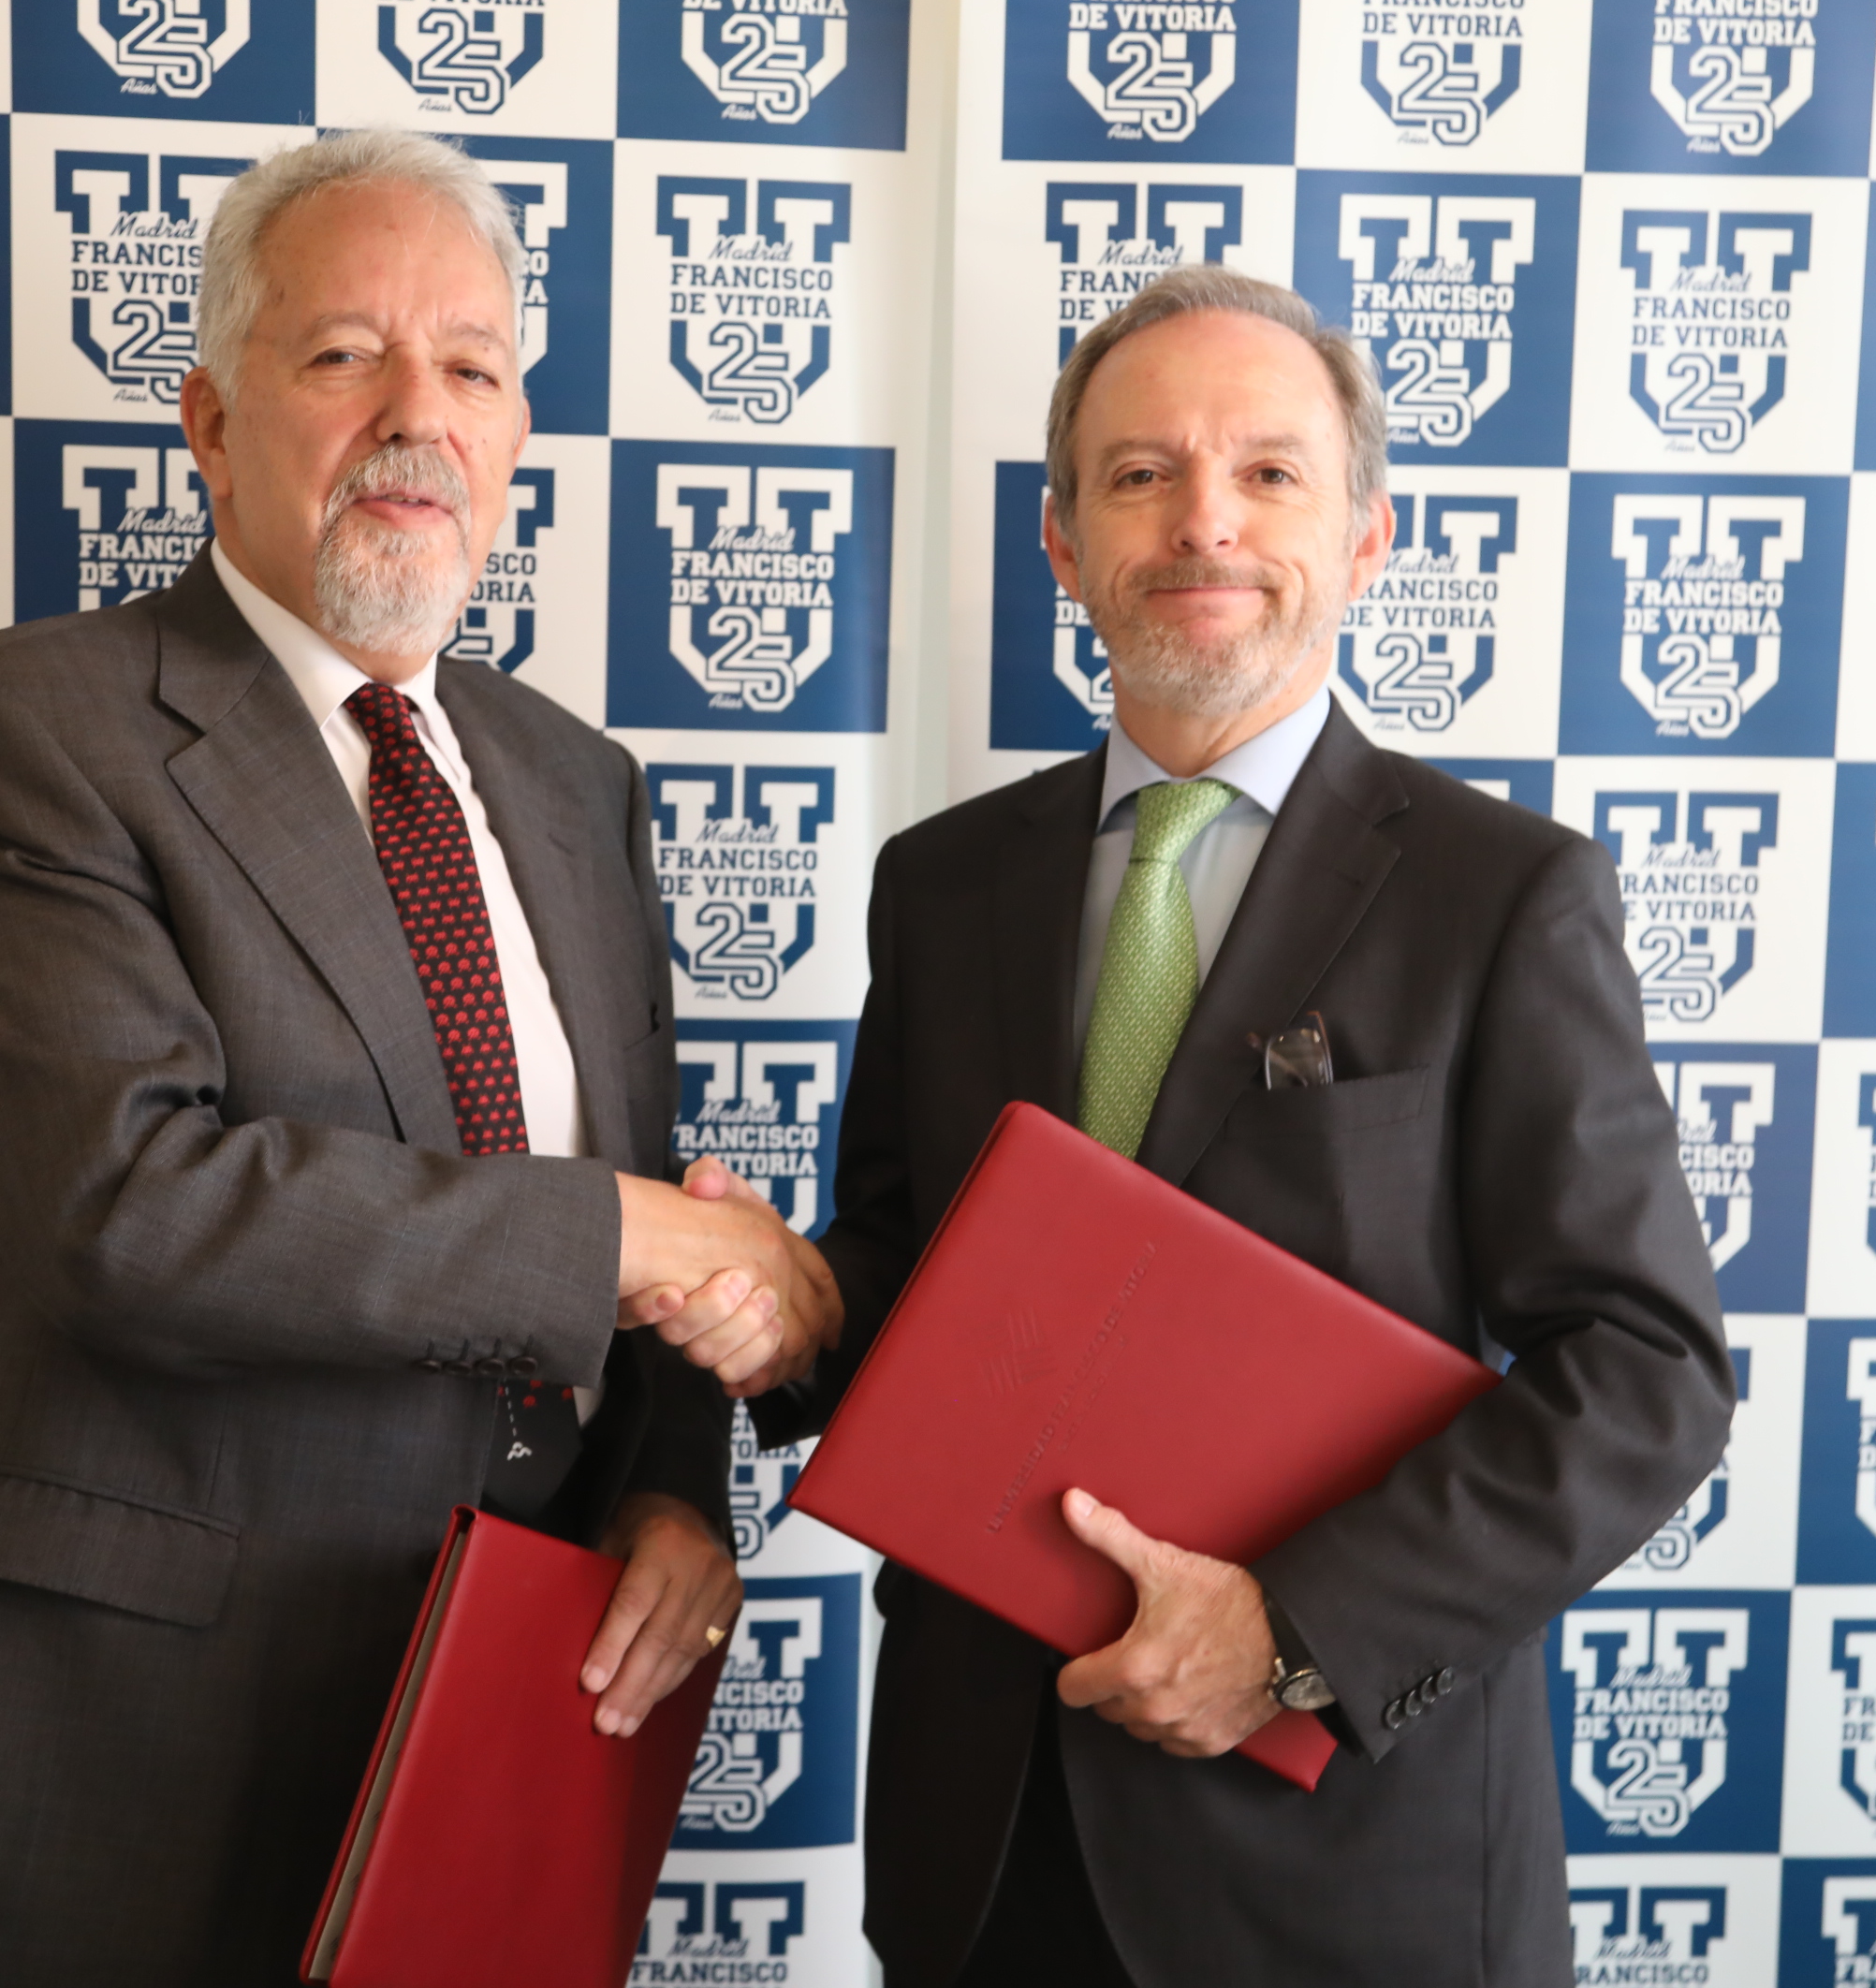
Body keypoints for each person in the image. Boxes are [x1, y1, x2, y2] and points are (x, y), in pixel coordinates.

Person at [0, 130, 838, 1987]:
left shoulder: (580, 786)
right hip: (118, 1749)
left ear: (517, 437)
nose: (418, 415)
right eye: (346, 354)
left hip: (487, 1735)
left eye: (474, 368)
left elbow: (643, 1208)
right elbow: (129, 1206)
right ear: (211, 417)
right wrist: (641, 1237)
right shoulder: (24, 728)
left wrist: (676, 1489)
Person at [740, 266, 1735, 1987]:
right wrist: (783, 1307)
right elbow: (914, 1278)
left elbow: (1648, 1372)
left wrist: (1291, 1637)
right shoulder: (942, 884)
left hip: (1344, 1866)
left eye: (1269, 472)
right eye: (1140, 475)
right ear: (1062, 543)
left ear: (1365, 538)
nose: (1203, 520)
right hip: (986, 1845)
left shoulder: (1508, 896)